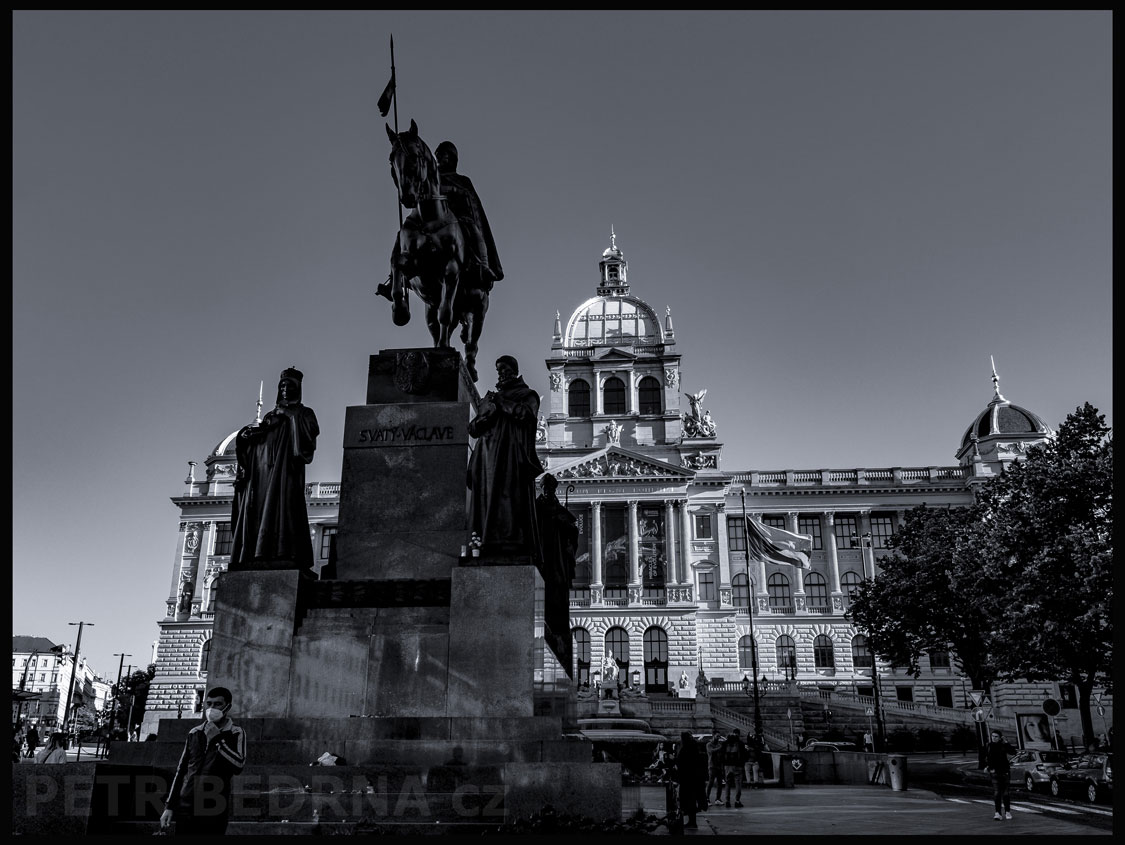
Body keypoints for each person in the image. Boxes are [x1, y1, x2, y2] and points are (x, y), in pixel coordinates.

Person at [230, 368, 319, 572]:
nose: (285, 389)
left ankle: (284, 551)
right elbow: (259, 441)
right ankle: (258, 551)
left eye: (289, 385)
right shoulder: (270, 415)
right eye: (282, 386)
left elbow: (307, 441)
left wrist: (289, 417)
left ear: (298, 388)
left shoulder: (305, 413)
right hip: (263, 473)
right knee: (260, 510)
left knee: (284, 510)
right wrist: (245, 437)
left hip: (285, 473)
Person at [467, 356, 544, 557]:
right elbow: (473, 428)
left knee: (507, 500)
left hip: (509, 457)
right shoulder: (491, 398)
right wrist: (486, 416)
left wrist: (501, 403)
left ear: (514, 370)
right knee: (485, 502)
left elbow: (526, 415)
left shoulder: (527, 395)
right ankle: (481, 542)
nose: (501, 373)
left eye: (504, 369)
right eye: (498, 370)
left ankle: (509, 542)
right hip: (485, 459)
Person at [160, 686, 246, 835]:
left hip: (214, 805)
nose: (212, 708)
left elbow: (239, 765)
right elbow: (181, 770)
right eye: (209, 703)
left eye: (217, 704)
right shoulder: (194, 732)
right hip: (186, 804)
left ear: (228, 707)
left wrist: (217, 739)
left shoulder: (236, 732)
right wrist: (169, 806)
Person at [434, 140, 503, 287]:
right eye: (437, 154)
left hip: (459, 219)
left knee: (475, 234)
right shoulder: (431, 179)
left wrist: (453, 190)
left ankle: (484, 267)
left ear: (451, 157)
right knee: (408, 232)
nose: (438, 157)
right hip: (436, 219)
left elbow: (468, 196)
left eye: (442, 154)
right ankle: (397, 276)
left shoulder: (462, 180)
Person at [535, 473, 578, 669]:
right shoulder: (535, 507)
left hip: (557, 556)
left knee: (558, 586)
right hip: (542, 555)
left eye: (551, 488)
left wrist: (566, 526)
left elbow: (572, 532)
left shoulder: (559, 509)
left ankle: (558, 630)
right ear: (542, 488)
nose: (548, 491)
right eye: (545, 488)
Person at [673, 732, 705, 829]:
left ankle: (692, 822)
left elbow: (683, 763)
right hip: (693, 779)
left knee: (689, 801)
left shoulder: (687, 749)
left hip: (688, 780)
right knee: (691, 801)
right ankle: (692, 821)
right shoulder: (693, 748)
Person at [982, 729, 1014, 821]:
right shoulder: (989, 746)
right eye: (992, 736)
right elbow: (987, 758)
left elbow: (1013, 752)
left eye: (996, 737)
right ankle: (998, 813)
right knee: (997, 793)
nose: (994, 738)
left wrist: (1006, 742)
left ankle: (1007, 812)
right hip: (994, 772)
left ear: (1000, 738)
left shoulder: (1003, 745)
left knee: (1006, 793)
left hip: (1005, 772)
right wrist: (988, 767)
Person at [721, 728, 749, 808]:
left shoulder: (724, 743)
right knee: (738, 784)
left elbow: (721, 755)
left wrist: (723, 765)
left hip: (727, 766)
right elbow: (744, 755)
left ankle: (727, 801)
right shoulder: (740, 743)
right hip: (738, 766)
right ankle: (737, 801)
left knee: (727, 783)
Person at [705, 734, 725, 805]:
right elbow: (711, 751)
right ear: (713, 736)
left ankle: (718, 799)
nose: (718, 738)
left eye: (719, 737)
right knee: (711, 782)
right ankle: (707, 799)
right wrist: (720, 748)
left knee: (719, 783)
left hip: (718, 766)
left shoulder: (719, 745)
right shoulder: (709, 744)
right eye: (717, 736)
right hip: (712, 766)